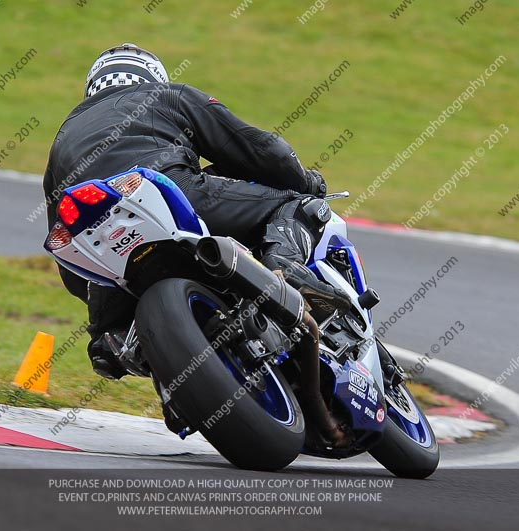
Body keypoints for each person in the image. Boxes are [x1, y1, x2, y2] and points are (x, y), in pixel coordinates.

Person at [43, 43, 350, 380]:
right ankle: (287, 275)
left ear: (93, 87)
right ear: (151, 77)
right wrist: (307, 182)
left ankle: (115, 336)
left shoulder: (62, 138)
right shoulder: (166, 95)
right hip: (171, 193)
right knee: (301, 207)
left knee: (108, 322)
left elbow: (73, 272)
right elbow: (263, 150)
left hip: (106, 252)